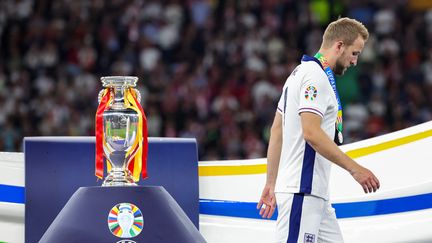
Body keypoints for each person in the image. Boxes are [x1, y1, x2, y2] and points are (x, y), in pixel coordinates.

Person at [257, 17, 380, 243]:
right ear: (339, 45)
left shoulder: (298, 74)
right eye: (355, 53)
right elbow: (311, 133)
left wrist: (271, 183)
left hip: (315, 196)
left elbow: (277, 130)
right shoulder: (315, 77)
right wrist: (355, 169)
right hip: (302, 191)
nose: (355, 62)